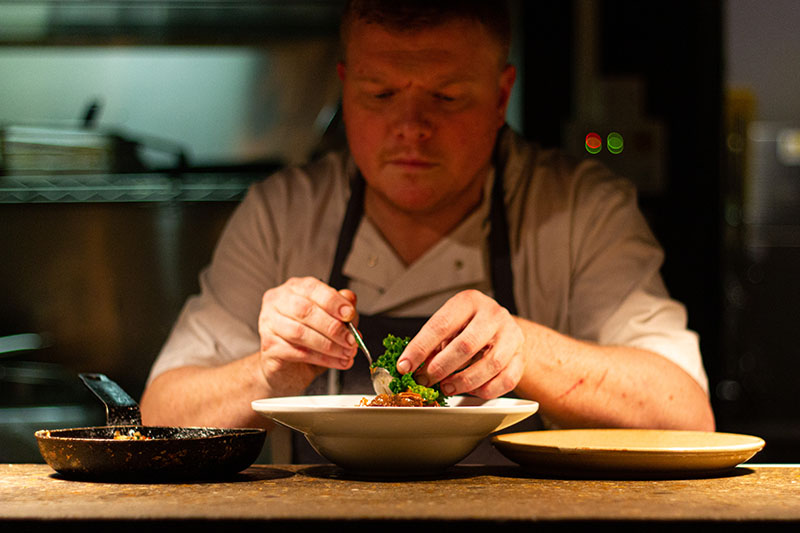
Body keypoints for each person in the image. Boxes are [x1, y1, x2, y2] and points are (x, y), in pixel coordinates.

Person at [140, 0, 715, 459]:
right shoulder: (283, 214)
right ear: (345, 86)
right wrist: (265, 374)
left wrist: (525, 349)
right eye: (381, 94)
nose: (412, 128)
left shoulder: (580, 212)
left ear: (500, 96)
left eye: (446, 96)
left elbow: (686, 417)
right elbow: (160, 415)